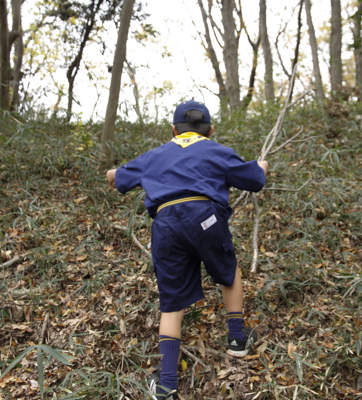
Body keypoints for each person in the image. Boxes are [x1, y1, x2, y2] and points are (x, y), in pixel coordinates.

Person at [106, 100, 268, 400]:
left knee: (171, 301)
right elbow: (255, 179)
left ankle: (167, 384)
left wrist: (114, 172)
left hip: (166, 225)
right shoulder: (215, 150)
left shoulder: (156, 155)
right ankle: (237, 341)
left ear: (173, 130)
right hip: (204, 218)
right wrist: (262, 166)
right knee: (229, 273)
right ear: (210, 130)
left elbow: (116, 178)